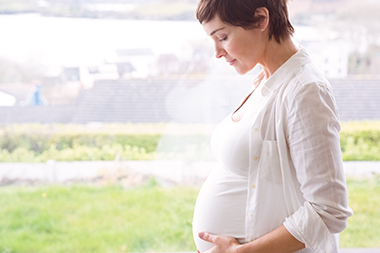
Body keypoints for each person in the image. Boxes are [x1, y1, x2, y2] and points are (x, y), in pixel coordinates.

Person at [191, 0, 353, 253]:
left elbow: (328, 211)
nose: (217, 52)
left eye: (222, 37)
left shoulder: (305, 91)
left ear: (260, 20)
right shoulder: (267, 79)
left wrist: (241, 252)